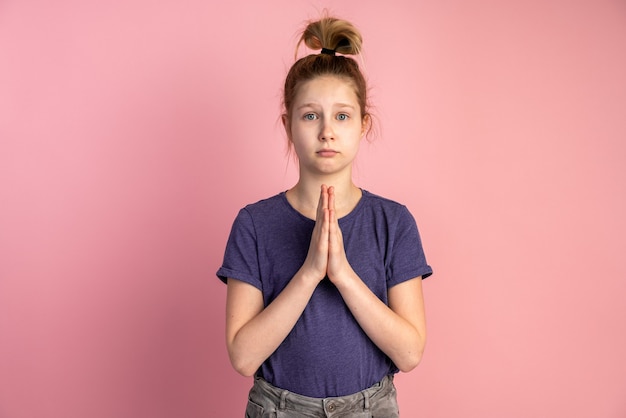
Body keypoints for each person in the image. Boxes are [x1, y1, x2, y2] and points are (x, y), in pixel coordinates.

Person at [216, 14, 433, 418]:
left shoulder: (394, 222)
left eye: (343, 116)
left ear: (363, 125)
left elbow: (409, 352)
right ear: (288, 125)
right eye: (311, 115)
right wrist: (310, 272)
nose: (327, 131)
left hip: (371, 408)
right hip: (280, 408)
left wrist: (343, 275)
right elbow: (243, 358)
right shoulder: (254, 224)